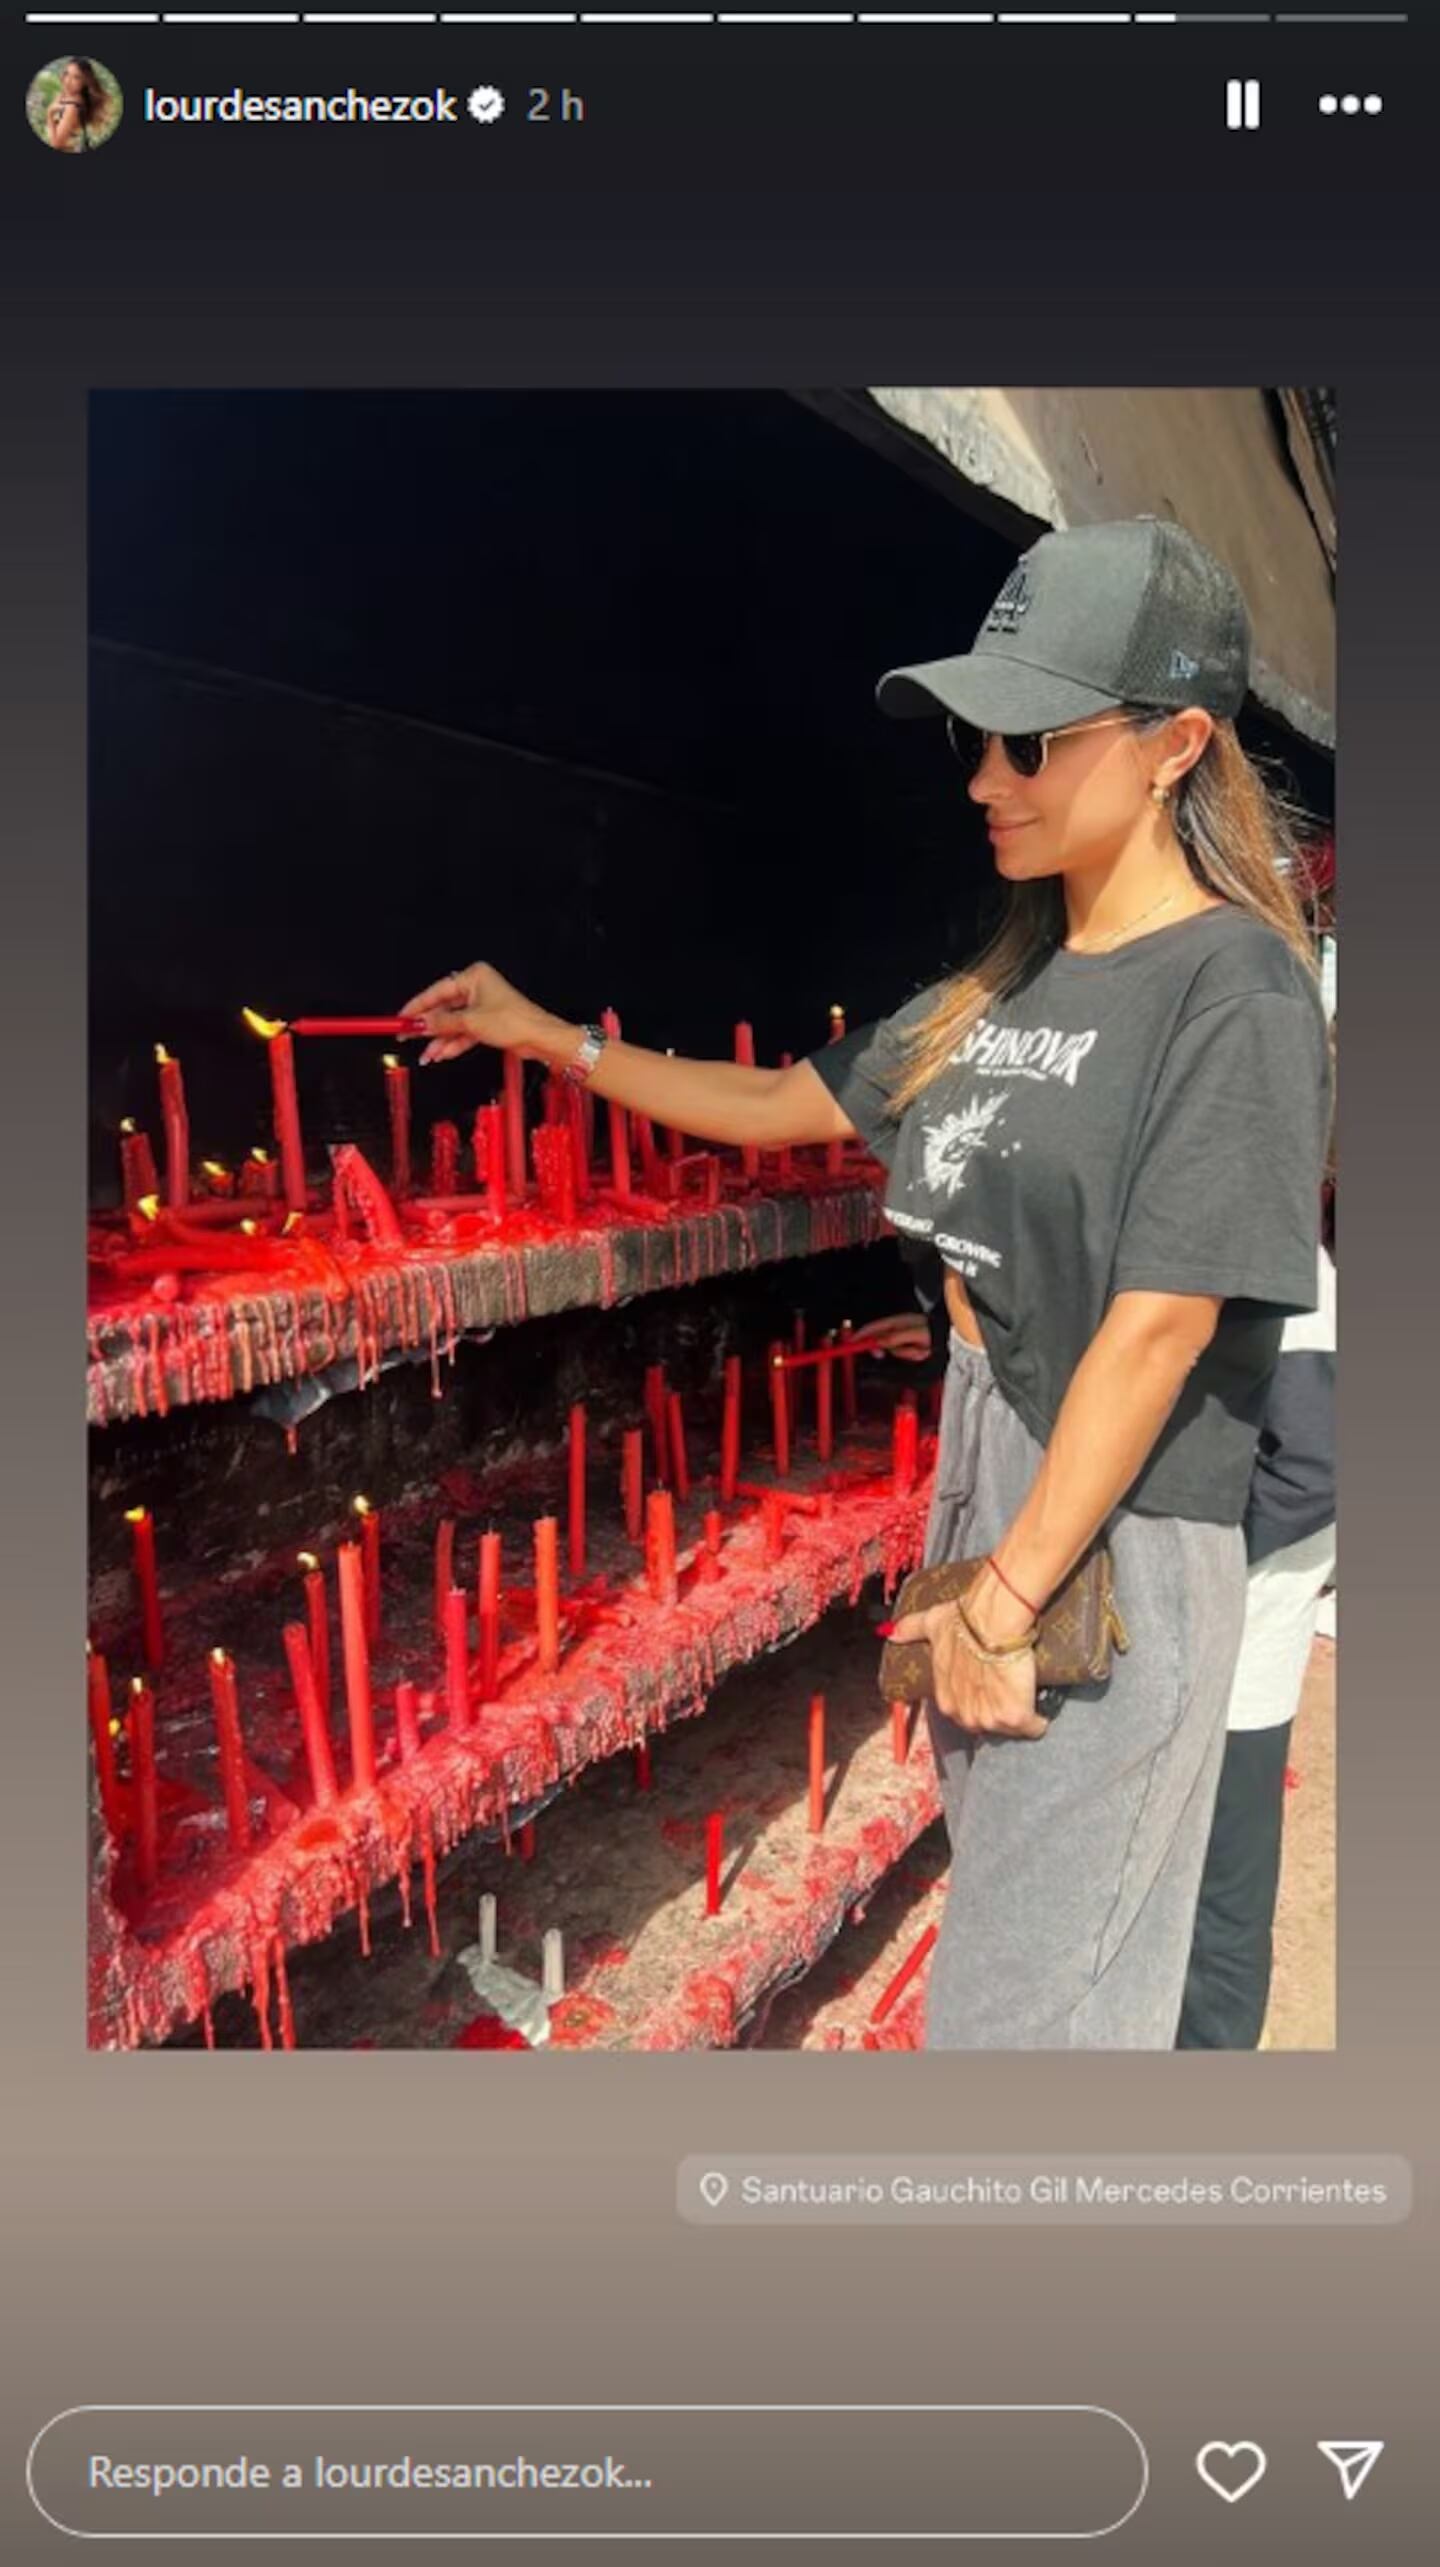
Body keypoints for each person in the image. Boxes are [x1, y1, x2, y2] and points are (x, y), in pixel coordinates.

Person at [401, 515, 1331, 2051]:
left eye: (1030, 741)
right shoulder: (1009, 974)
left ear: (1174, 744)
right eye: (978, 738)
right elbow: (776, 1105)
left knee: (1025, 2014)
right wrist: (541, 1032)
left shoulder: (1233, 988)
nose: (983, 779)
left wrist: (1013, 1589)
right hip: (993, 1468)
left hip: (1111, 1519)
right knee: (1026, 1940)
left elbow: (1162, 1321)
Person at [45, 56, 111, 152]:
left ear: (85, 82)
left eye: (76, 77)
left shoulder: (72, 107)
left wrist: (49, 114)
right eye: (67, 74)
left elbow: (56, 145)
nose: (68, 81)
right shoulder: (67, 96)